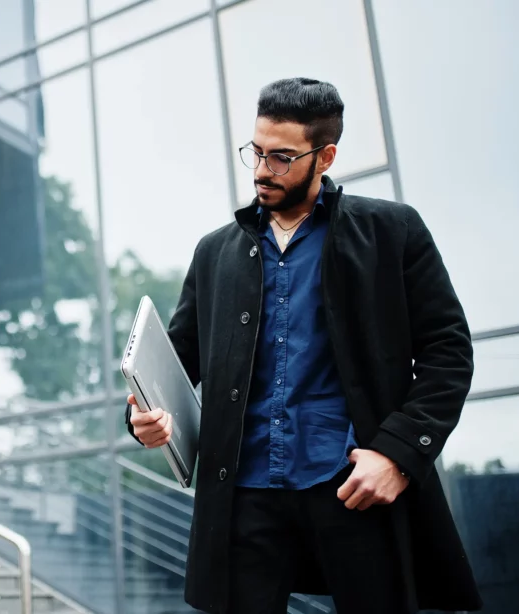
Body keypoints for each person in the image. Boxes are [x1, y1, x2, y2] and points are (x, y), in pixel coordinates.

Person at [125, 78, 482, 614]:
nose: (261, 169)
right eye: (256, 151)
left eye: (282, 157)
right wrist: (141, 419)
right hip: (243, 498)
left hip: (352, 485)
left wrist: (398, 454)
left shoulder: (392, 231)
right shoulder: (214, 253)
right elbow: (172, 366)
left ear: (325, 156)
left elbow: (448, 353)